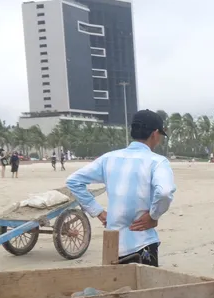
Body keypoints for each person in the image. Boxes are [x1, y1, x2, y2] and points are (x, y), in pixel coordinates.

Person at [66, 110, 176, 267]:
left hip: (113, 245)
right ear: (155, 134)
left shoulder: (109, 158)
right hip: (142, 243)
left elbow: (73, 181)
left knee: (116, 289)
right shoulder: (157, 162)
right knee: (144, 290)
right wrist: (153, 216)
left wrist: (98, 211)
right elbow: (165, 192)